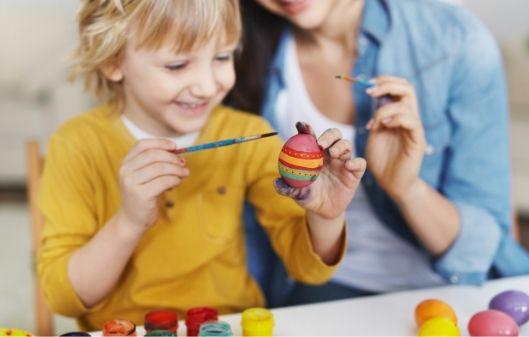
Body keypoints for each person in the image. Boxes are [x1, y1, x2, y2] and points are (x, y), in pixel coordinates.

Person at [37, 0, 367, 330]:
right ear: (112, 60)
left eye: (222, 57)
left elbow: (306, 269)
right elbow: (63, 297)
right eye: (177, 65)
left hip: (229, 326)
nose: (208, 87)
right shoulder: (76, 145)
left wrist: (325, 215)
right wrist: (128, 222)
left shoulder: (247, 136)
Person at [229, 0, 529, 305]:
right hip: (324, 285)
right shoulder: (237, 50)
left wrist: (407, 189)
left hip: (451, 288)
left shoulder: (453, 40)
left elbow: (484, 245)